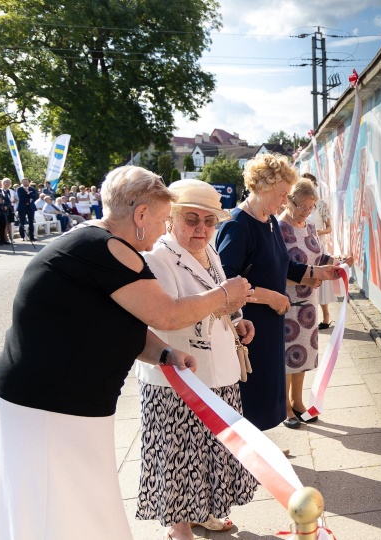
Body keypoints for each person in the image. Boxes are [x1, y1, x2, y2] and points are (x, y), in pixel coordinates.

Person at [0, 165, 254, 540]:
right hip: (48, 404)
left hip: (61, 401)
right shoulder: (109, 249)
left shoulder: (100, 245)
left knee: (76, 503)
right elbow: (166, 312)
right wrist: (226, 295)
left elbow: (128, 324)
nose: (165, 229)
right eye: (165, 219)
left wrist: (165, 354)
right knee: (60, 505)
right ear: (141, 215)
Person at [136, 180, 258, 540]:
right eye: (192, 219)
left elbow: (220, 301)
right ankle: (178, 528)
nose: (201, 229)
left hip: (219, 371)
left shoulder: (209, 251)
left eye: (209, 221)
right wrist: (224, 296)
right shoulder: (158, 257)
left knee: (212, 450)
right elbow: (166, 317)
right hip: (179, 378)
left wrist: (238, 320)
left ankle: (203, 512)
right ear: (171, 218)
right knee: (178, 457)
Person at [216, 153, 340, 431]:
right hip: (247, 325)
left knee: (269, 389)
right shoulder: (237, 225)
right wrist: (272, 297)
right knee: (252, 393)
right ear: (261, 186)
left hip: (271, 323)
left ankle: (261, 450)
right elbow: (224, 282)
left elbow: (284, 264)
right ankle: (249, 458)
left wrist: (315, 273)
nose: (284, 201)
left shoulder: (269, 221)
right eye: (281, 194)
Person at [278, 179, 354, 428]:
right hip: (288, 302)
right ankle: (285, 408)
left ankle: (298, 402)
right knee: (287, 357)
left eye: (311, 207)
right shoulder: (279, 229)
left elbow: (318, 256)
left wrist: (338, 260)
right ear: (289, 200)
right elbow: (280, 267)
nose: (306, 212)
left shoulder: (309, 227)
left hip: (308, 302)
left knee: (303, 356)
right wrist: (313, 275)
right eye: (302, 206)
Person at [302, 173, 338, 329]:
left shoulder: (322, 205)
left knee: (321, 283)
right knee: (306, 281)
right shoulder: (297, 205)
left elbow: (329, 228)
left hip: (318, 247)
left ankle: (326, 316)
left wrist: (316, 232)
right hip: (303, 248)